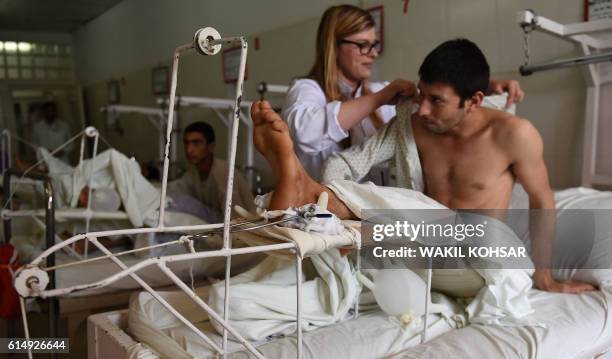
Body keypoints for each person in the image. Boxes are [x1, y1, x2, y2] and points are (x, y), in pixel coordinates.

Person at [250, 38, 596, 294]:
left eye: (436, 101)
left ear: (474, 101)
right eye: (422, 95)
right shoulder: (411, 124)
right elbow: (346, 162)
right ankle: (316, 204)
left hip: (481, 262)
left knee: (417, 219)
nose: (423, 109)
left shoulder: (514, 135)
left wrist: (545, 277)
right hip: (419, 251)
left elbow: (543, 201)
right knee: (278, 290)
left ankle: (310, 197)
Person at [282, 4, 525, 181]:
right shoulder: (307, 90)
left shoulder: (381, 92)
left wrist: (484, 85)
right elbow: (305, 134)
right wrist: (379, 99)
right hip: (324, 215)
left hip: (370, 218)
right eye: (363, 45)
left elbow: (440, 95)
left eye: (374, 44)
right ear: (332, 46)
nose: (373, 53)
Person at [168, 122, 255, 221]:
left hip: (244, 228)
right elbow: (175, 191)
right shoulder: (192, 173)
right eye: (186, 143)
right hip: (218, 224)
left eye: (196, 143)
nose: (189, 149)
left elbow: (236, 220)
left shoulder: (223, 173)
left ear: (211, 146)